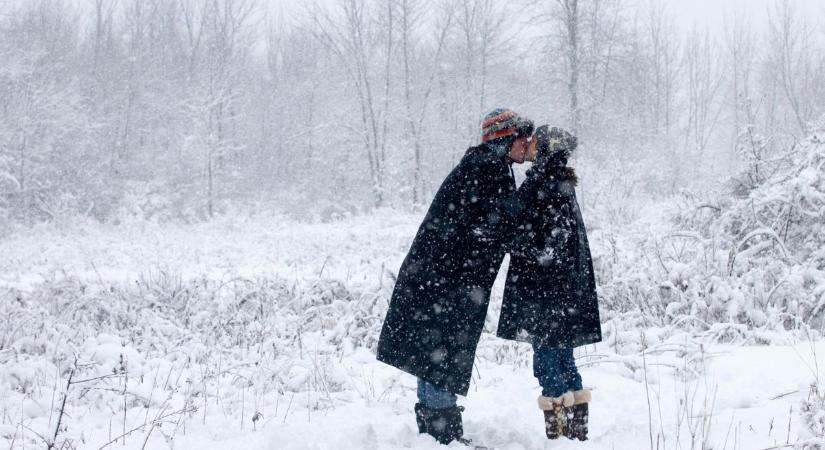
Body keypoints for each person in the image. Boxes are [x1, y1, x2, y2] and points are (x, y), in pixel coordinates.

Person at [376, 108, 550, 445]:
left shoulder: (482, 165)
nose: (526, 144)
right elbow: (498, 224)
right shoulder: (488, 168)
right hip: (447, 281)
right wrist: (534, 204)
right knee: (442, 353)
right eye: (521, 137)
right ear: (504, 139)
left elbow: (491, 221)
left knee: (434, 354)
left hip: (437, 277)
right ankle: (442, 436)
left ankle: (435, 433)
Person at [496, 125, 602, 441]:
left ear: (547, 149)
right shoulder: (557, 182)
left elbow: (551, 244)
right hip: (559, 291)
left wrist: (513, 241)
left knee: (548, 365)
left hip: (547, 292)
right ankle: (575, 433)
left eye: (536, 141)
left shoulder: (548, 184)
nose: (529, 144)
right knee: (563, 361)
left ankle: (560, 436)